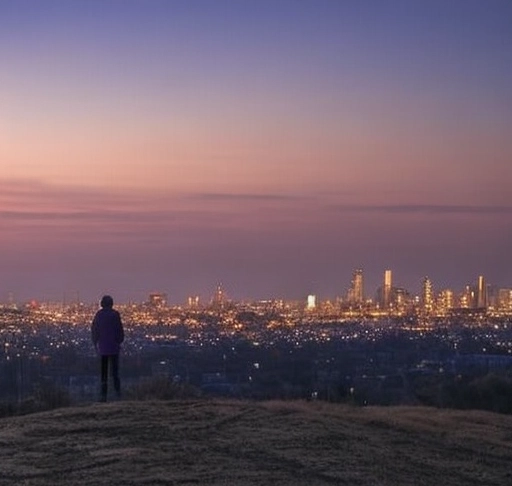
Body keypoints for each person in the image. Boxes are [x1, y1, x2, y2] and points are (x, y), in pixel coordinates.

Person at [91, 295, 124, 402]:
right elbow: (120, 330)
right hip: (114, 347)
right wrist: (119, 341)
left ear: (102, 304)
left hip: (103, 348)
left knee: (104, 373)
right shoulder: (115, 314)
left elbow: (94, 330)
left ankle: (103, 396)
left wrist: (95, 343)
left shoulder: (99, 315)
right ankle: (118, 394)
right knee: (115, 373)